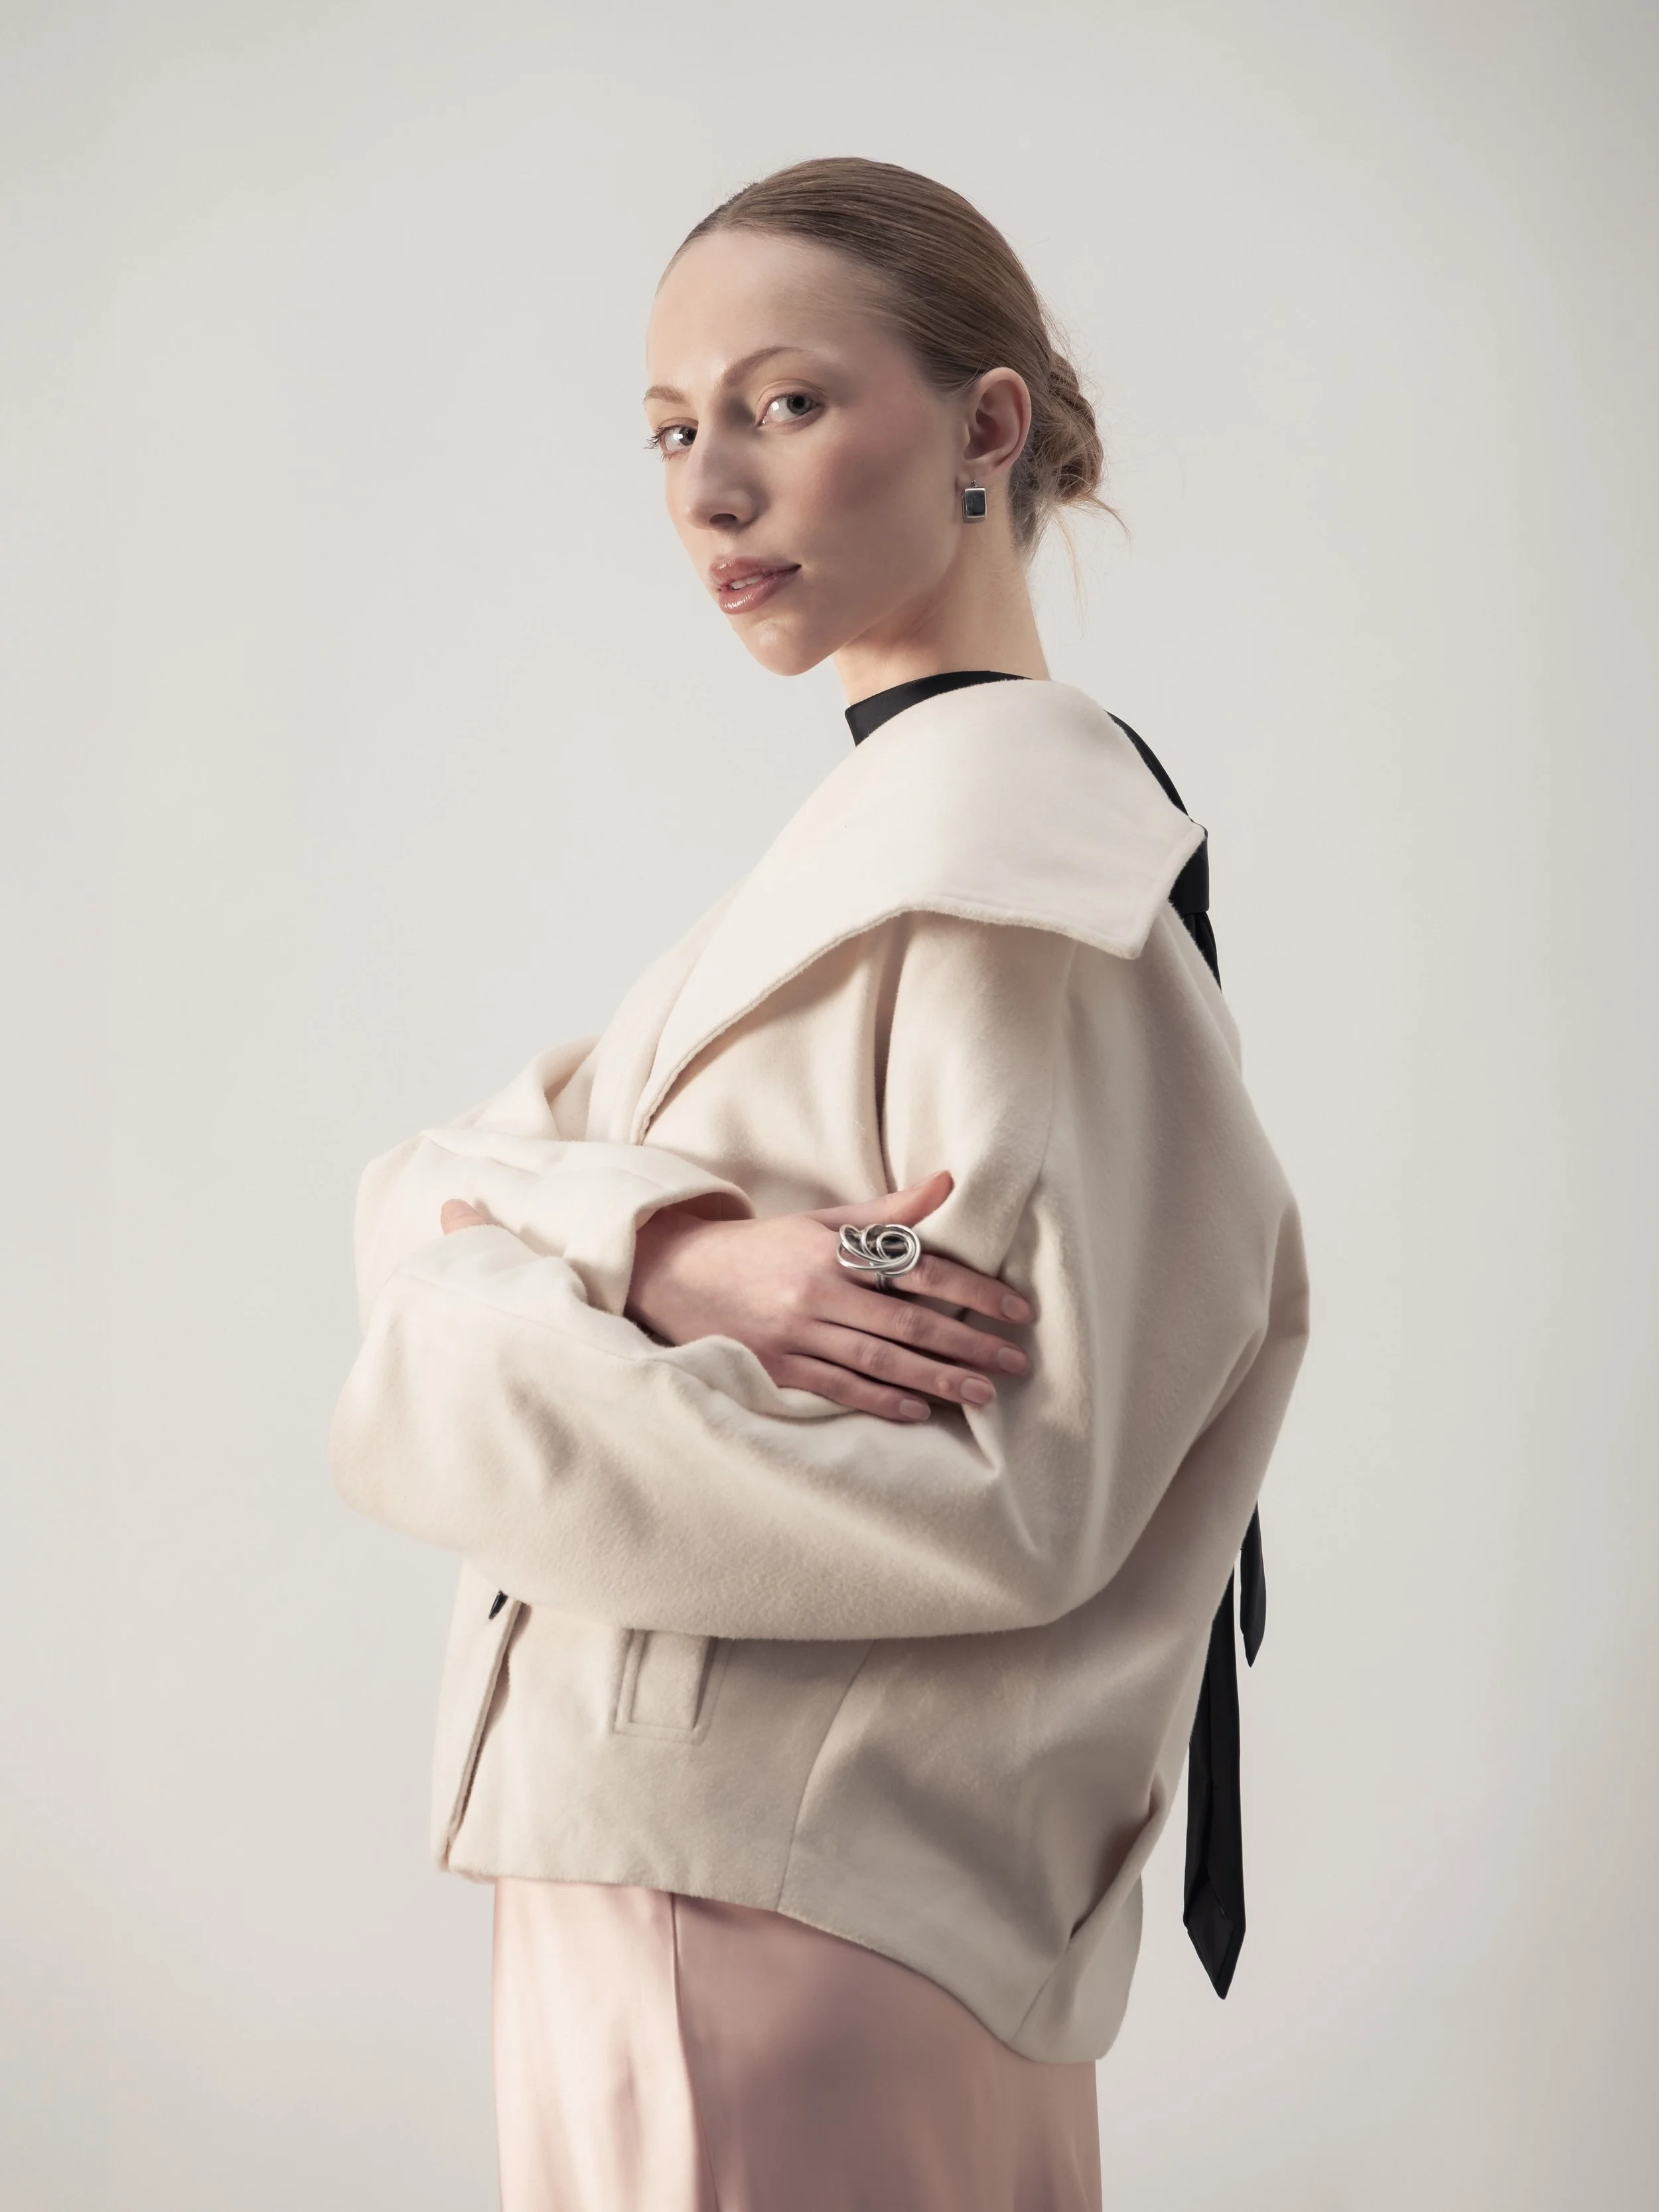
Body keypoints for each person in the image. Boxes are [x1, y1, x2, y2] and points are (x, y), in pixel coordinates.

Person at [329, 156, 1311, 2212]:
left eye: (783, 403)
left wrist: (476, 1334)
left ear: (982, 426)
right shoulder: (887, 862)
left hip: (761, 1893)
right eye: (669, 430)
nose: (709, 490)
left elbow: (1006, 1496)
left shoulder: (1005, 892)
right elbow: (427, 1184)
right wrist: (675, 1255)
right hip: (783, 1879)